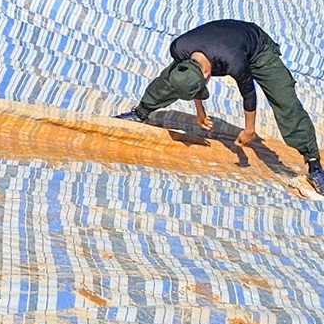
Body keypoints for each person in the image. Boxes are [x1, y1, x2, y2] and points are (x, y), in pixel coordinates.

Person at [116, 19, 324, 195]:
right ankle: (141, 112)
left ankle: (314, 163)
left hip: (257, 48)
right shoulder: (178, 48)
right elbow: (192, 83)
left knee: (285, 99)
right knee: (172, 80)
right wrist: (200, 111)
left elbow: (248, 93)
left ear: (207, 75)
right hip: (223, 42)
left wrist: (249, 129)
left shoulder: (233, 61)